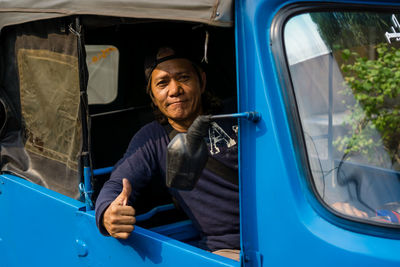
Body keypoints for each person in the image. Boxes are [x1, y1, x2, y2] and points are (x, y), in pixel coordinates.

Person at [95, 46, 240, 261]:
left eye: (183, 78)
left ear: (201, 81)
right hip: (230, 248)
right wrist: (108, 213)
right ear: (153, 96)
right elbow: (117, 185)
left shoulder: (239, 112)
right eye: (162, 83)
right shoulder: (152, 139)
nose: (174, 90)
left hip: (282, 225)